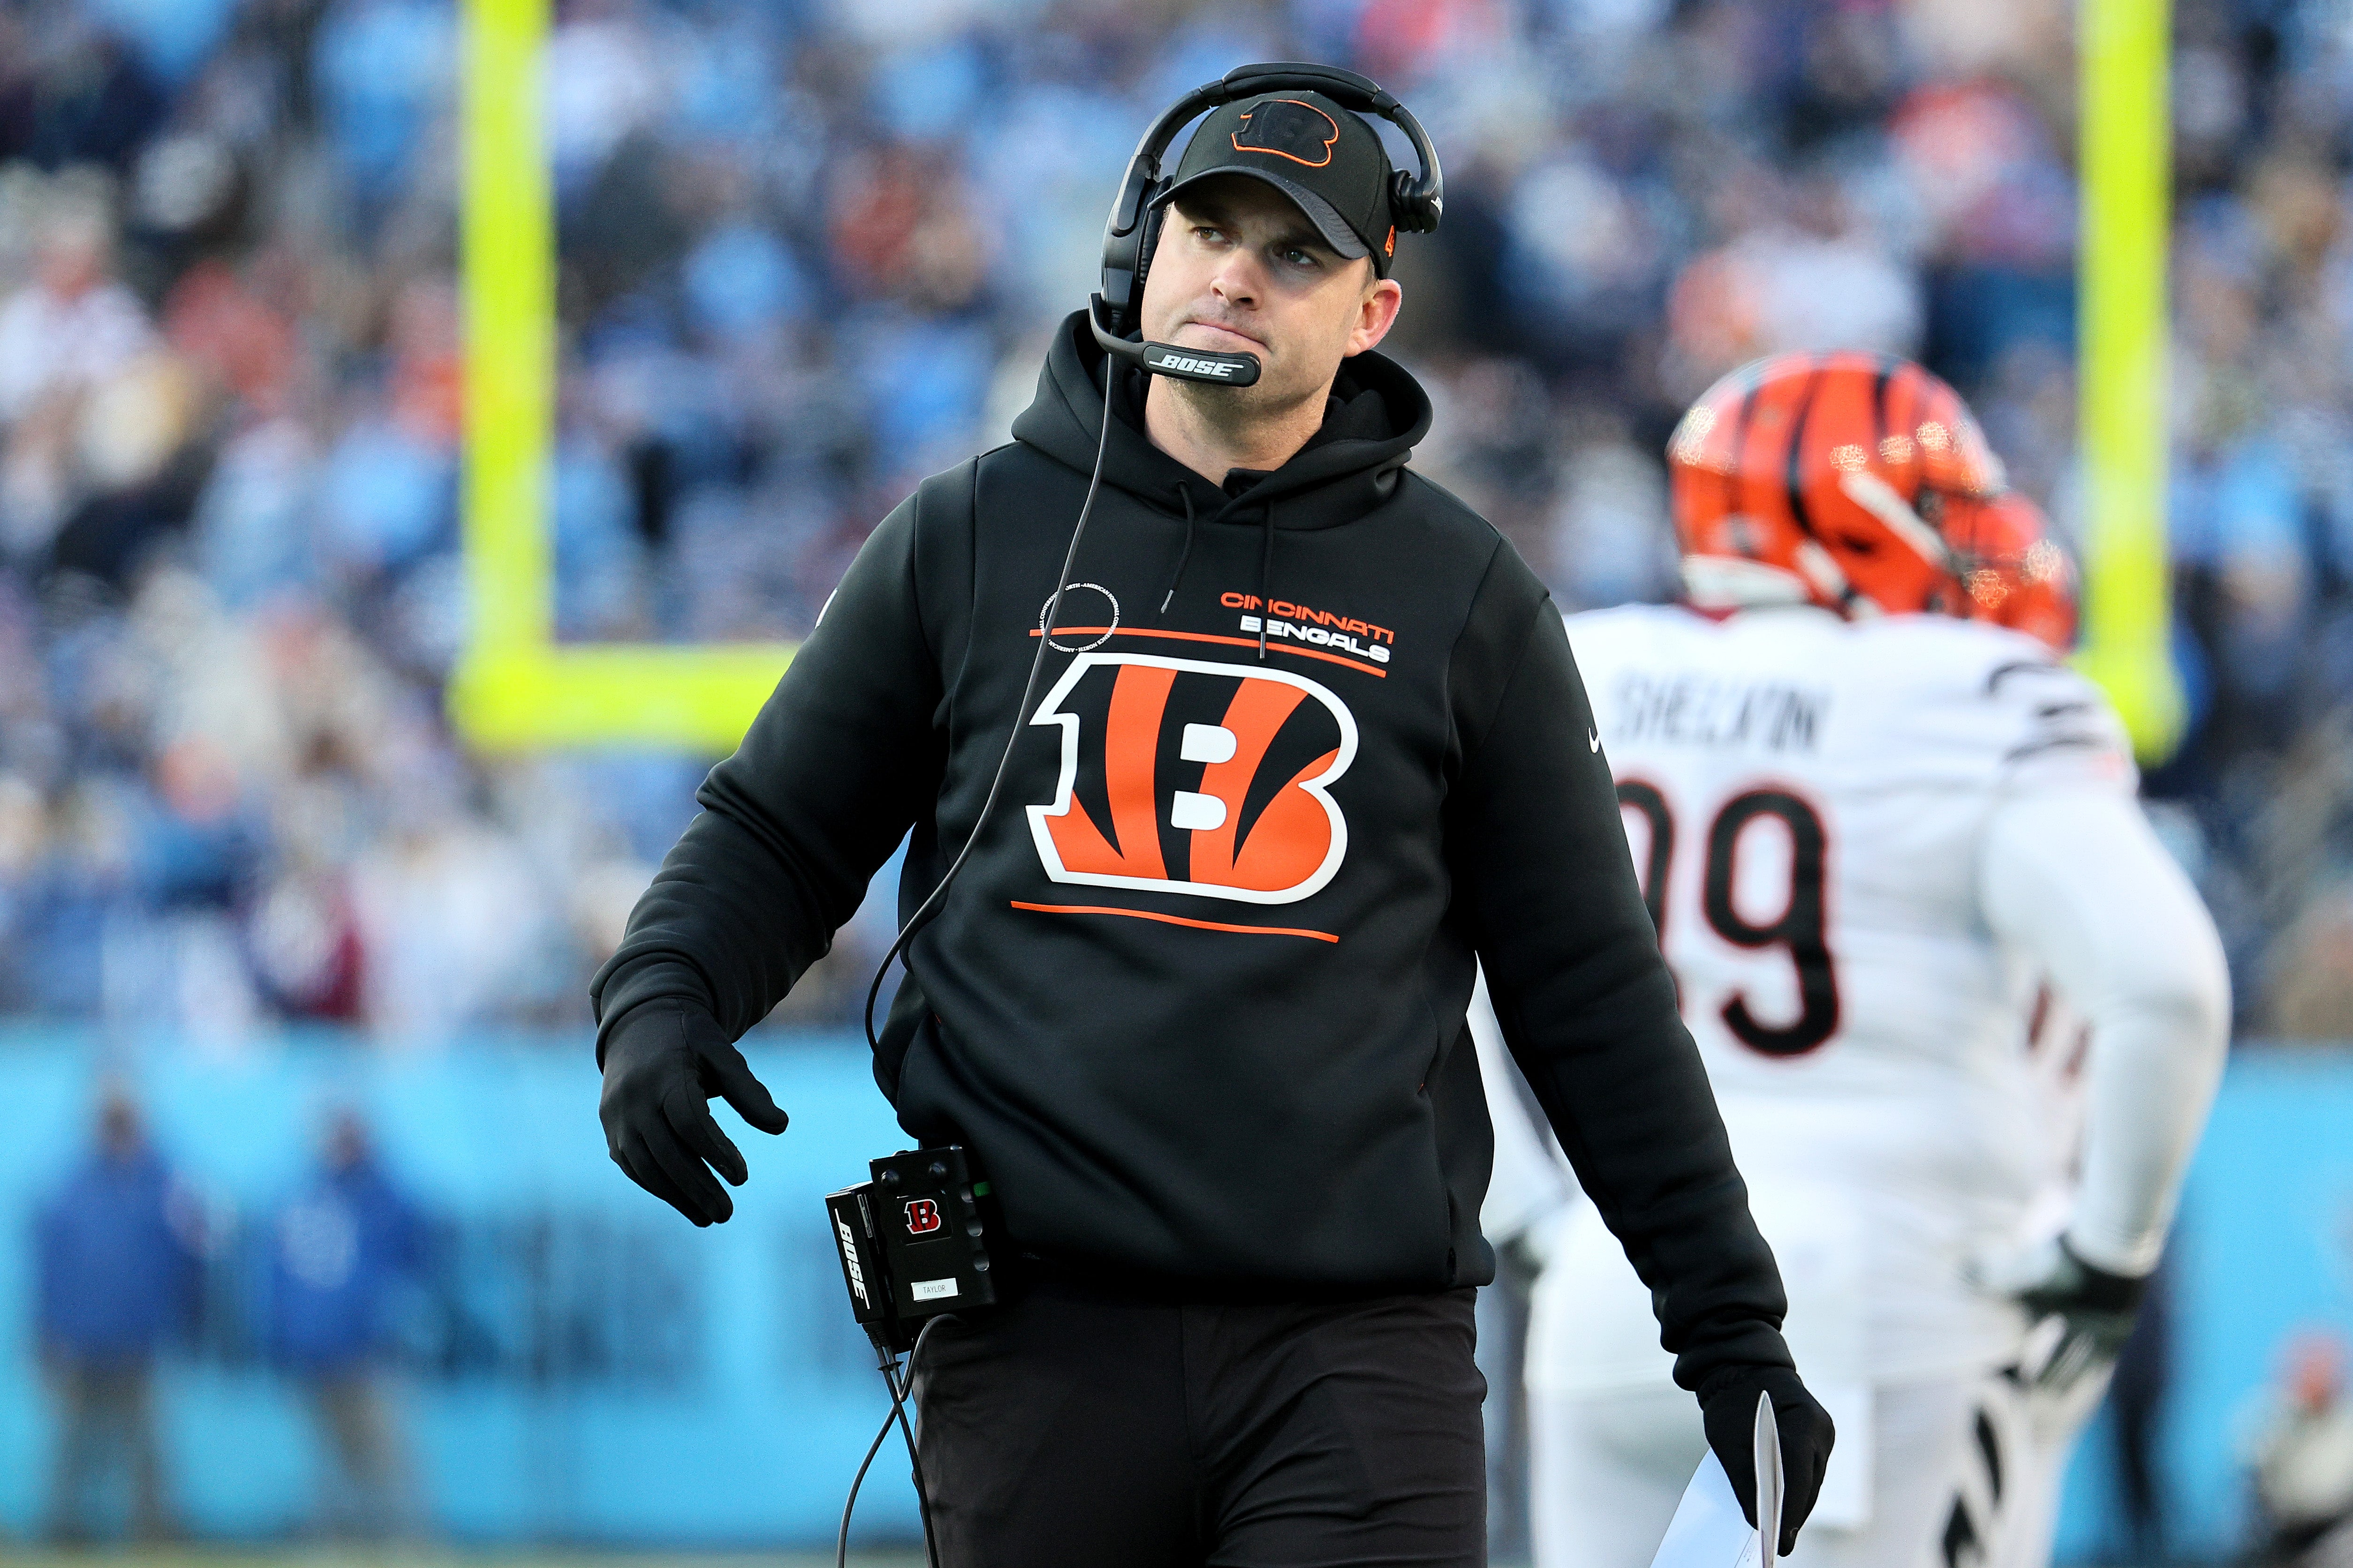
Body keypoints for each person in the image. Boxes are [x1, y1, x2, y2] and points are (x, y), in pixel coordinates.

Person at [591, 68, 1833, 1568]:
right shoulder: (972, 530)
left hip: (1353, 1351)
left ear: (1370, 311)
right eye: (1209, 230)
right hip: (1033, 1342)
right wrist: (660, 997)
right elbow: (777, 832)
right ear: (1139, 247)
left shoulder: (1463, 596)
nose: (1236, 275)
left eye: (1295, 252)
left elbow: (1587, 991)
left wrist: (1724, 1321)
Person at [1482, 352, 2230, 1568]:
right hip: (1874, 1285)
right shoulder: (1961, 695)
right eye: (1937, 504)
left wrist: (1525, 1210)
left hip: (1611, 1284)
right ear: (1839, 510)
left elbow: (1438, 967)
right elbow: (2164, 985)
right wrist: (2110, 1252)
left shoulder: (1588, 665)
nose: (1972, 533)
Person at [34, 1086, 201, 1543]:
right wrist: (47, 1332)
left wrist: (187, 1323)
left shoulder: (166, 1182)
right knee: (74, 1442)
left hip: (140, 1335)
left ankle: (153, 1525)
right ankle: (65, 1523)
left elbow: (191, 1259)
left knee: (146, 1444)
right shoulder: (72, 1185)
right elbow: (51, 1266)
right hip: (80, 1336)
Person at [267, 1108, 426, 1540]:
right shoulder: (305, 1196)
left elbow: (418, 1252)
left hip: (367, 1353)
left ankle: (402, 1543)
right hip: (315, 1354)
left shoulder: (381, 1196)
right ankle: (338, 1541)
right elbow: (280, 1280)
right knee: (332, 1464)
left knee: (386, 1462)